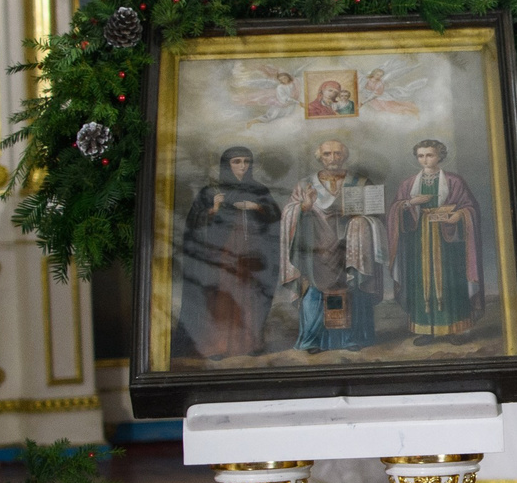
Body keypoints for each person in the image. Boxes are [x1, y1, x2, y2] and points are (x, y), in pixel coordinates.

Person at [279, 137, 382, 351]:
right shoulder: (305, 184)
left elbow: (377, 215)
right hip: (316, 250)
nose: (333, 158)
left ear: (344, 156)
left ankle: (353, 338)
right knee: (313, 293)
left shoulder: (361, 182)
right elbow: (289, 214)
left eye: (337, 153)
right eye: (327, 154)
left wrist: (359, 219)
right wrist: (304, 207)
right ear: (320, 157)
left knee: (353, 290)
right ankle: (314, 340)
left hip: (351, 248)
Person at [178, 147, 281, 359]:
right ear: (227, 165)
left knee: (251, 296)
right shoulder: (211, 192)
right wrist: (214, 209)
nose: (242, 166)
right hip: (222, 253)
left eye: (246, 161)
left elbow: (275, 218)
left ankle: (249, 344)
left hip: (253, 252)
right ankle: (219, 345)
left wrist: (256, 207)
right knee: (223, 295)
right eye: (237, 162)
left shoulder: (259, 191)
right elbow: (194, 225)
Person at [386, 138, 484, 345]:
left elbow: (470, 207)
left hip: (447, 240)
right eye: (421, 156)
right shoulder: (408, 184)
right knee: (421, 281)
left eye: (429, 155)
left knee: (450, 280)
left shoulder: (454, 181)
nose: (425, 160)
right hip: (418, 241)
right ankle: (427, 329)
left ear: (440, 156)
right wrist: (410, 202)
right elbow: (395, 210)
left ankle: (455, 329)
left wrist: (459, 216)